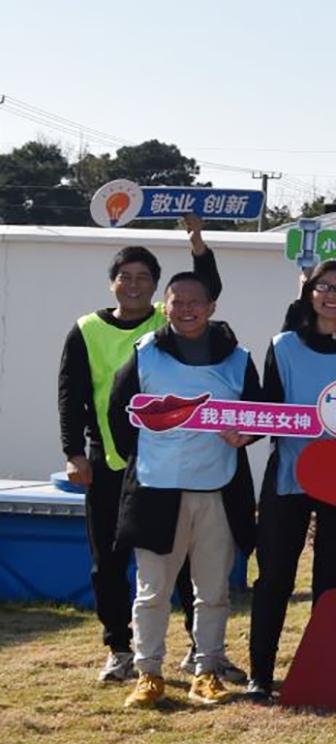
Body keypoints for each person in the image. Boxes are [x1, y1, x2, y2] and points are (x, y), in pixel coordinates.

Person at [59, 214, 223, 684]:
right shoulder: (86, 329)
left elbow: (206, 290)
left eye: (143, 278)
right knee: (108, 560)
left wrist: (197, 245)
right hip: (109, 460)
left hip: (166, 462)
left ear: (155, 288)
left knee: (181, 556)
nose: (133, 285)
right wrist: (74, 453)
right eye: (125, 277)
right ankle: (119, 648)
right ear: (112, 283)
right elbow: (71, 395)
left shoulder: (165, 320)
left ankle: (196, 647)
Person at [105, 272, 261, 707]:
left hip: (217, 488)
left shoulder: (238, 358)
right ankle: (148, 671)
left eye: (196, 302)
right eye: (178, 301)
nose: (187, 309)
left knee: (212, 590)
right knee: (152, 590)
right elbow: (120, 413)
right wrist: (150, 455)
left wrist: (246, 436)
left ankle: (207, 669)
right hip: (156, 490)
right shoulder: (146, 352)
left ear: (212, 308)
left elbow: (258, 414)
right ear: (165, 306)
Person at [248, 260, 336, 700]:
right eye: (324, 286)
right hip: (289, 474)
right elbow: (269, 407)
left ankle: (322, 672)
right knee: (274, 577)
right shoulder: (283, 345)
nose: (332, 295)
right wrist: (242, 430)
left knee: (333, 579)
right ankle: (260, 674)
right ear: (309, 293)